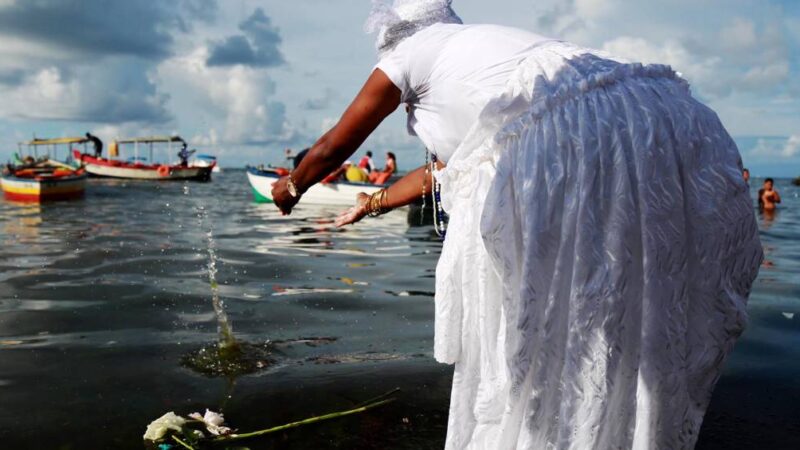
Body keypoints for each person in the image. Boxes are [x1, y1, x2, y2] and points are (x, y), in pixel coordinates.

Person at [271, 1, 762, 448]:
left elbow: (335, 144)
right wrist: (373, 202)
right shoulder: (481, 51)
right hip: (667, 119)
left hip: (572, 137)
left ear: (390, 35)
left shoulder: (407, 54)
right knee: (628, 314)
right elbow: (449, 169)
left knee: (553, 336)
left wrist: (293, 186)